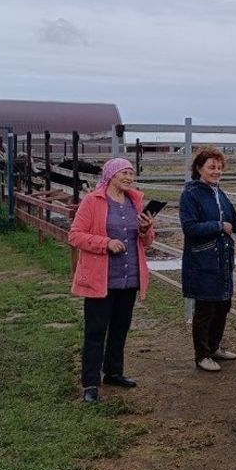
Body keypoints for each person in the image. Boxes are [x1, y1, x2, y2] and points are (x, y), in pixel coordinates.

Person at [68, 158, 156, 403]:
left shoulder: (134, 202)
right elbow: (75, 236)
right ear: (110, 175)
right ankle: (91, 383)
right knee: (96, 331)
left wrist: (146, 229)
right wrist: (105, 243)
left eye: (131, 173)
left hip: (128, 279)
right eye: (124, 173)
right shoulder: (93, 201)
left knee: (119, 328)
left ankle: (114, 372)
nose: (129, 177)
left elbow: (146, 242)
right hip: (100, 279)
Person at [179, 146, 236, 372]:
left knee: (222, 305)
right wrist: (218, 226)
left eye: (219, 167)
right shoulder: (191, 194)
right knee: (205, 307)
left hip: (222, 259)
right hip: (203, 260)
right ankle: (202, 354)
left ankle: (214, 346)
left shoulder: (220, 194)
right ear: (199, 168)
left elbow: (232, 223)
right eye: (211, 167)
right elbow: (189, 227)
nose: (216, 171)